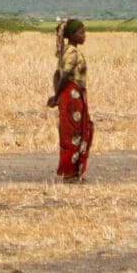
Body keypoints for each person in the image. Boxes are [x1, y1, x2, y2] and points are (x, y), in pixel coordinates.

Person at [49, 18, 93, 182]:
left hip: (70, 95)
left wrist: (57, 95)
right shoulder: (73, 53)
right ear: (72, 35)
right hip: (73, 96)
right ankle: (70, 174)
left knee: (72, 132)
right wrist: (57, 95)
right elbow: (65, 74)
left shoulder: (65, 52)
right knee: (76, 132)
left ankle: (73, 173)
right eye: (81, 32)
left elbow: (56, 74)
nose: (84, 35)